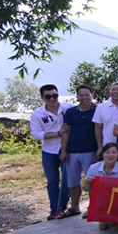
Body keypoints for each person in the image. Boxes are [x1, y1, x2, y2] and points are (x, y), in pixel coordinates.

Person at [30, 84, 74, 220]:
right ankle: (55, 209)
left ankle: (63, 206)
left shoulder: (68, 108)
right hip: (49, 151)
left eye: (55, 95)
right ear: (42, 98)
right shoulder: (38, 114)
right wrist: (58, 133)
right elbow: (36, 134)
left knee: (68, 180)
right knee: (52, 182)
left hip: (68, 148)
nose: (52, 99)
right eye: (48, 96)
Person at [58, 84, 101, 219]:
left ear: (92, 95)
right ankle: (74, 207)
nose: (84, 98)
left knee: (91, 180)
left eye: (87, 95)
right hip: (72, 151)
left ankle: (91, 207)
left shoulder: (98, 110)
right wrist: (63, 150)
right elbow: (66, 131)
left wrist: (100, 148)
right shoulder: (70, 112)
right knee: (72, 181)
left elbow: (99, 130)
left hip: (90, 151)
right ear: (77, 96)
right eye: (81, 95)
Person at [83, 143, 118, 231]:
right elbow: (86, 189)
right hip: (101, 199)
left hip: (117, 198)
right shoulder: (93, 168)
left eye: (114, 152)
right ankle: (102, 217)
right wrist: (88, 183)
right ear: (102, 154)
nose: (110, 155)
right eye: (107, 152)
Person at [93, 82, 118, 147]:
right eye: (113, 90)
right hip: (107, 146)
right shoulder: (101, 107)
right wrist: (100, 146)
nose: (116, 92)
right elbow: (98, 128)